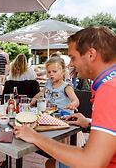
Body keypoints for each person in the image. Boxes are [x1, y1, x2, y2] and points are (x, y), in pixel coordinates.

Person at [14, 27, 116, 168]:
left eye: (73, 57)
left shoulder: (109, 90)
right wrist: (89, 123)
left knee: (51, 164)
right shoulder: (110, 83)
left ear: (91, 55)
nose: (71, 64)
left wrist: (35, 137)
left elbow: (91, 163)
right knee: (51, 163)